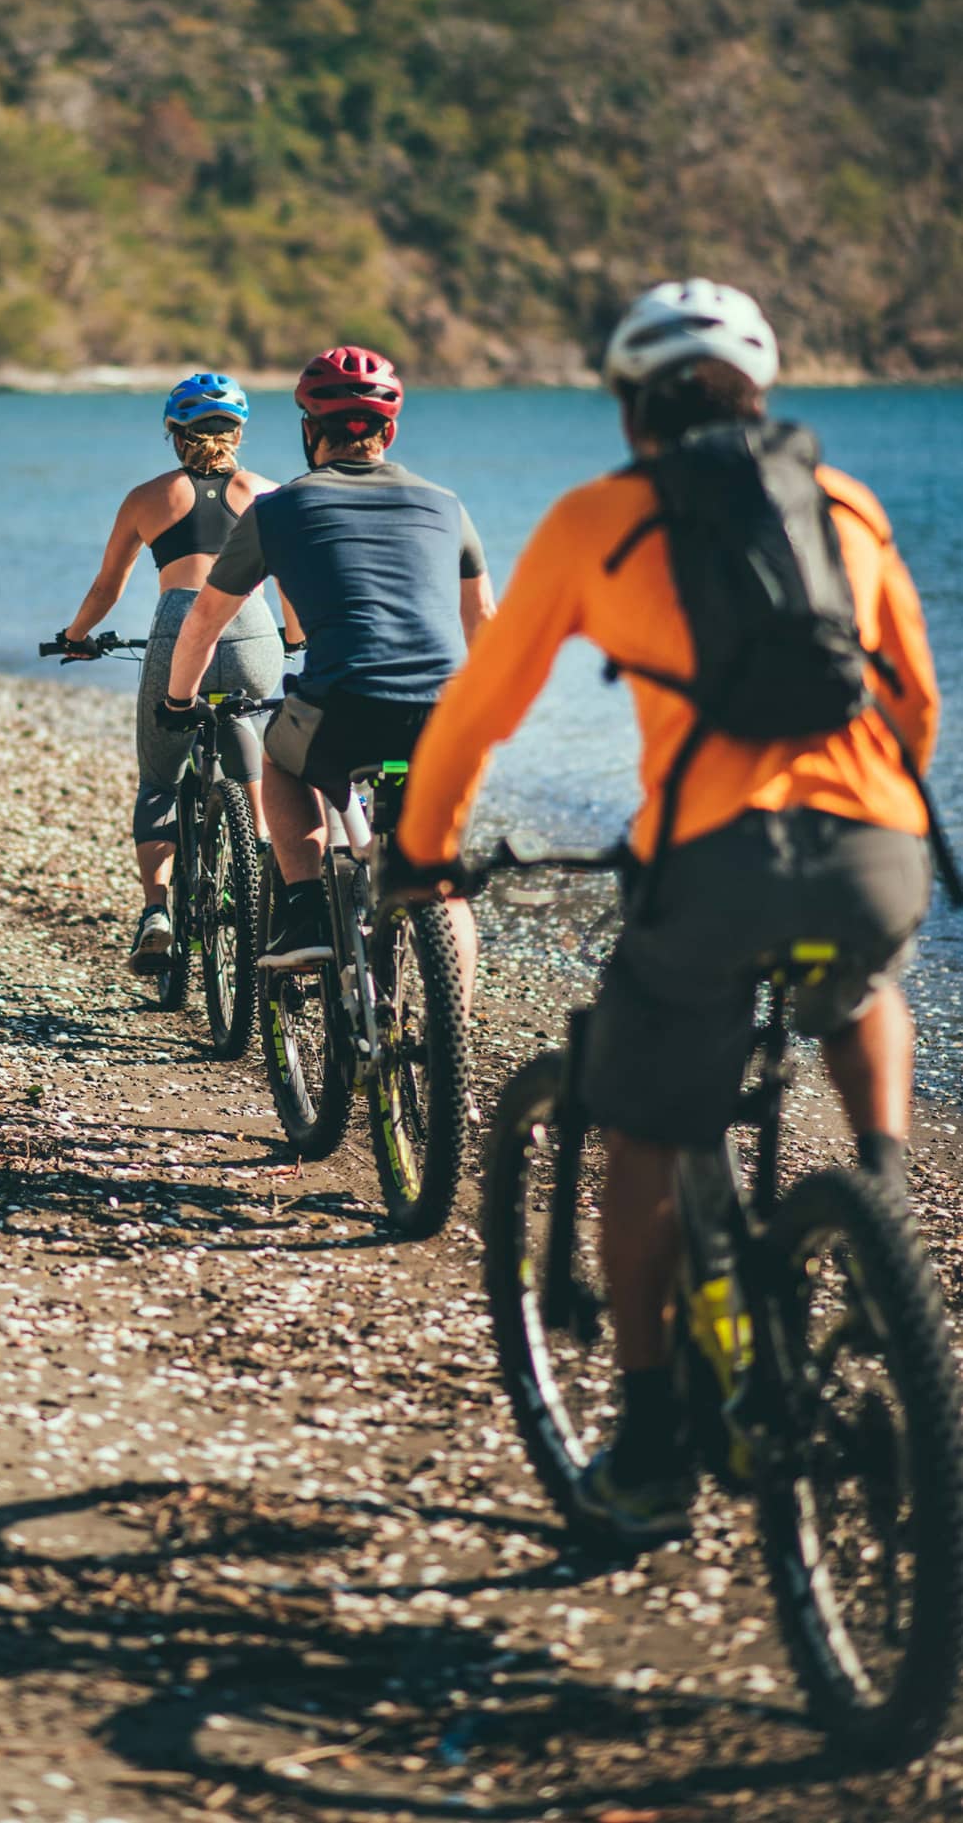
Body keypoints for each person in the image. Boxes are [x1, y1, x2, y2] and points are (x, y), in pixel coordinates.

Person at [394, 278, 942, 1541]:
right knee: (862, 980)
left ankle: (647, 1448)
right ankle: (884, 1208)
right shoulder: (847, 503)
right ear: (760, 390)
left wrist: (420, 854)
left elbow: (479, 708)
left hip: (715, 862)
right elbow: (913, 698)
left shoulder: (602, 515)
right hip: (877, 844)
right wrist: (875, 817)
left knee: (643, 1130)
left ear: (632, 406)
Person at [159, 346, 496, 985]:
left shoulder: (278, 509)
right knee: (439, 879)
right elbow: (485, 625)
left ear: (309, 430)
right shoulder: (446, 506)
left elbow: (204, 621)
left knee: (281, 759)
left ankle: (305, 909)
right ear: (388, 433)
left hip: (343, 707)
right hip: (447, 716)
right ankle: (450, 1032)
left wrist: (178, 702)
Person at [58, 372, 300, 969]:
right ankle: (261, 876)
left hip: (177, 631)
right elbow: (289, 584)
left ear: (175, 434)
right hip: (251, 631)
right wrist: (294, 638)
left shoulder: (146, 498)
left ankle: (157, 912)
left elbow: (106, 588)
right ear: (237, 433)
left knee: (160, 780)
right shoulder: (270, 494)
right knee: (243, 728)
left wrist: (75, 637)